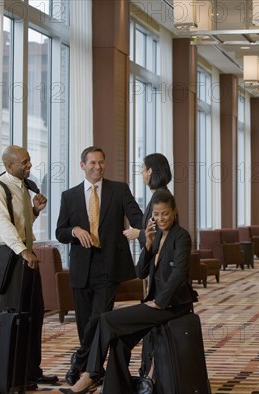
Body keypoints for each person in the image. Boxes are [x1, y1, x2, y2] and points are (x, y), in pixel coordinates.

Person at [59, 189, 197, 394]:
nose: (160, 218)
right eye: (156, 214)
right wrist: (148, 245)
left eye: (165, 213)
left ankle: (91, 374)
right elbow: (140, 273)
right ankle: (117, 387)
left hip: (173, 305)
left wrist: (160, 301)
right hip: (156, 305)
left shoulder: (181, 237)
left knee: (106, 319)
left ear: (174, 212)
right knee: (119, 339)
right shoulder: (157, 236)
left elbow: (179, 274)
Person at [55, 146, 143, 385]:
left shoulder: (120, 190)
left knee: (99, 317)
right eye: (92, 163)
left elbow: (138, 218)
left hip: (109, 265)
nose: (98, 167)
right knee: (85, 324)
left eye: (101, 162)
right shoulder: (69, 196)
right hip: (82, 267)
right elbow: (60, 231)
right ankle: (92, 368)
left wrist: (146, 229)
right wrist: (75, 230)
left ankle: (81, 364)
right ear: (82, 165)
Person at [0, 145, 58, 390]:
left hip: (26, 257)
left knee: (34, 315)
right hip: (9, 259)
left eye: (29, 161)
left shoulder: (23, 188)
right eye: (24, 162)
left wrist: (35, 211)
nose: (29, 166)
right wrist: (24, 251)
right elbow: (3, 226)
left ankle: (31, 372)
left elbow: (22, 225)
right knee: (13, 317)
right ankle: (10, 374)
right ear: (8, 165)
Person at [123, 153, 172, 248]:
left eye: (143, 167)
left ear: (150, 171)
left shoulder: (162, 197)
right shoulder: (159, 195)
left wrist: (138, 233)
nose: (141, 171)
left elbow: (162, 233)